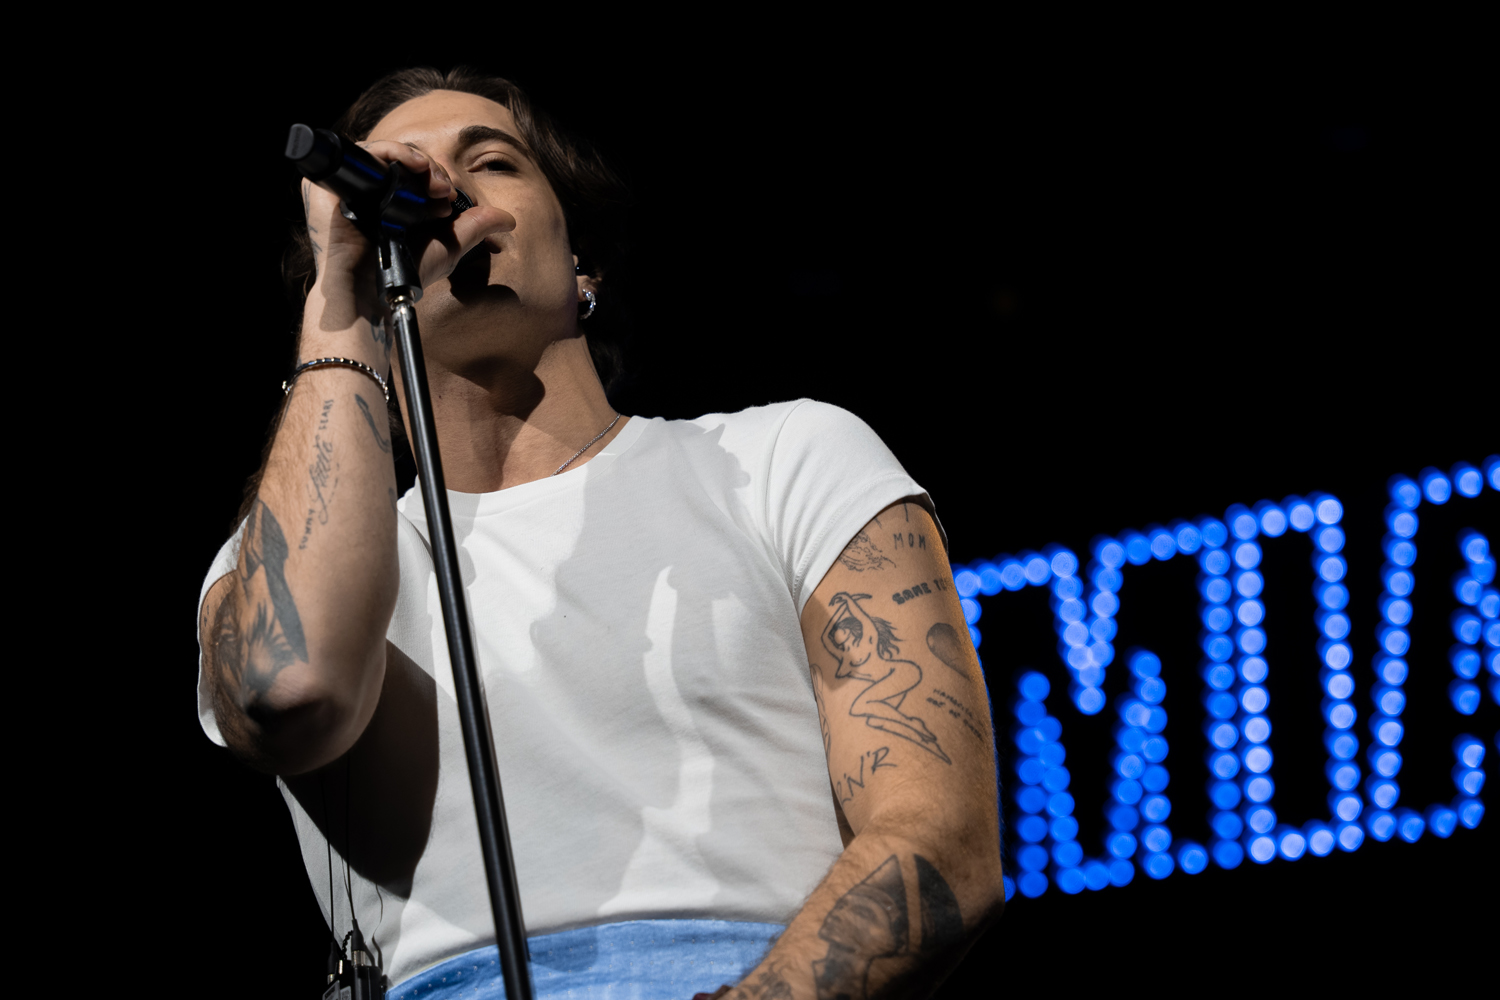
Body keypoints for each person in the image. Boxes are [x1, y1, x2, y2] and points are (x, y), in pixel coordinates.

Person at [197, 66, 1003, 999]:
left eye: (491, 162)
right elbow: (288, 688)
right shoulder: (282, 552)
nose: (443, 192)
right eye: (405, 173)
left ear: (582, 261)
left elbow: (941, 841)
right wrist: (342, 308)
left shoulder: (784, 457)